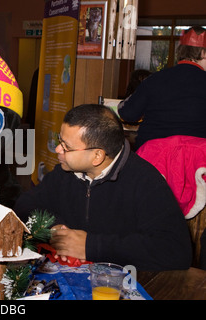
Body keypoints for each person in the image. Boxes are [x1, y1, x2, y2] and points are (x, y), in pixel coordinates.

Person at [13, 104, 192, 271]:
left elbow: (176, 251)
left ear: (97, 156)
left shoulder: (146, 181)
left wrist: (90, 246)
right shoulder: (65, 172)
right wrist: (54, 230)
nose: (58, 149)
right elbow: (23, 206)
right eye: (60, 141)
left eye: (67, 147)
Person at [118, 25, 206, 150]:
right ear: (203, 53)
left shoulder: (154, 79)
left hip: (152, 158)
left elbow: (128, 113)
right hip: (195, 162)